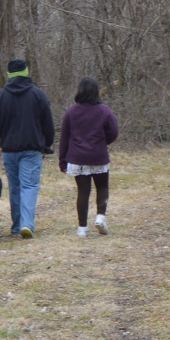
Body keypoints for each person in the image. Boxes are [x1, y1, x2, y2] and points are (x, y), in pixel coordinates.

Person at [0, 59, 54, 239]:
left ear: (9, 75)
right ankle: (26, 224)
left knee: (15, 188)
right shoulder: (38, 95)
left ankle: (16, 226)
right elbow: (48, 123)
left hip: (9, 151)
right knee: (29, 186)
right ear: (26, 72)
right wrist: (48, 143)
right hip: (32, 149)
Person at [58, 76, 119, 237]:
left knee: (83, 191)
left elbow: (64, 137)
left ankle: (82, 228)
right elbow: (114, 132)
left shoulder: (71, 111)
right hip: (98, 155)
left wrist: (62, 160)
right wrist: (103, 142)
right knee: (103, 187)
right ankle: (100, 216)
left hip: (77, 158)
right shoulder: (104, 110)